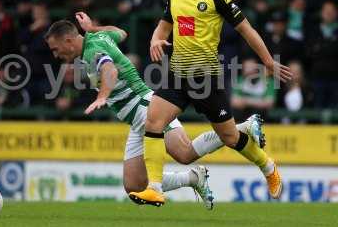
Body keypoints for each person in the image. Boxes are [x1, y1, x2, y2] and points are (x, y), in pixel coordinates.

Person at [45, 12, 264, 208]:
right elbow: (121, 32)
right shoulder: (96, 37)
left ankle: (244, 127)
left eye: (55, 49)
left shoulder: (93, 50)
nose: (55, 55)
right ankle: (193, 178)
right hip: (135, 119)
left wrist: (102, 97)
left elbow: (110, 72)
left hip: (144, 108)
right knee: (134, 185)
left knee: (185, 152)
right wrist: (93, 29)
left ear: (68, 40)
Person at [129, 0, 292, 206]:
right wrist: (154, 41)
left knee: (229, 137)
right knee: (153, 122)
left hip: (206, 79)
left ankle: (268, 166)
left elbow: (247, 30)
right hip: (177, 75)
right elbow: (161, 29)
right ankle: (155, 188)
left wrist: (268, 62)